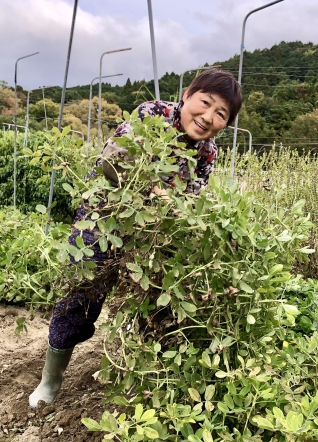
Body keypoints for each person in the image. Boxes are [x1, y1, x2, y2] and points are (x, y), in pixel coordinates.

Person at [29, 69, 243, 408]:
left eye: (221, 114)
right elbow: (111, 166)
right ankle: (50, 380)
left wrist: (183, 211)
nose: (208, 117)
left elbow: (193, 202)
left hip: (154, 235)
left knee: (157, 306)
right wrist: (159, 196)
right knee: (80, 299)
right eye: (206, 103)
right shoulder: (152, 115)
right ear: (187, 95)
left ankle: (144, 383)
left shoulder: (207, 153)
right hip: (104, 220)